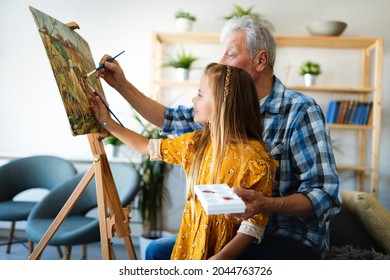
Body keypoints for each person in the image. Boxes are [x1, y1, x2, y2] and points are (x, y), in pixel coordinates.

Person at [96, 15, 340, 260]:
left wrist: (265, 204)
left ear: (261, 60)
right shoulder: (217, 113)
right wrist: (120, 85)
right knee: (157, 251)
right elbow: (168, 119)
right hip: (226, 232)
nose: (221, 61)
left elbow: (325, 195)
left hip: (286, 237)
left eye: (230, 54)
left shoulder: (301, 111)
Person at [89, 63, 278, 260]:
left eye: (200, 95)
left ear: (223, 103)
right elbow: (147, 147)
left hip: (226, 255)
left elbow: (254, 224)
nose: (193, 100)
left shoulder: (256, 160)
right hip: (190, 247)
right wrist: (107, 122)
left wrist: (223, 257)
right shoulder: (195, 144)